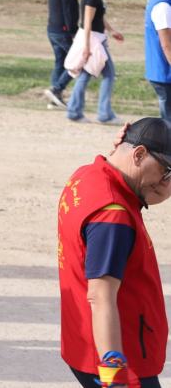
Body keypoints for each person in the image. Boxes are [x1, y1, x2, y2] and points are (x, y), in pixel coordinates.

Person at [57, 117, 171, 388]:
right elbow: (100, 295)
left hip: (84, 341)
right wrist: (113, 369)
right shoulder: (112, 216)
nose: (166, 185)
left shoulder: (86, 176)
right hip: (120, 357)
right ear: (139, 154)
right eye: (166, 172)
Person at [66, 0, 123, 125]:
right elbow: (87, 22)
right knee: (107, 74)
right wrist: (87, 47)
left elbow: (99, 17)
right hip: (94, 39)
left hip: (96, 38)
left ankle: (75, 111)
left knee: (87, 74)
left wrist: (112, 31)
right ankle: (104, 114)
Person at [44, 0, 80, 109]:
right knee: (77, 61)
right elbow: (68, 10)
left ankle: (54, 98)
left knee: (60, 62)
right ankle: (56, 89)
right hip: (63, 30)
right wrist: (73, 31)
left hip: (53, 28)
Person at [144, 0, 171, 121]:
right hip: (164, 72)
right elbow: (166, 44)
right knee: (168, 121)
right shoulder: (162, 5)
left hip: (160, 70)